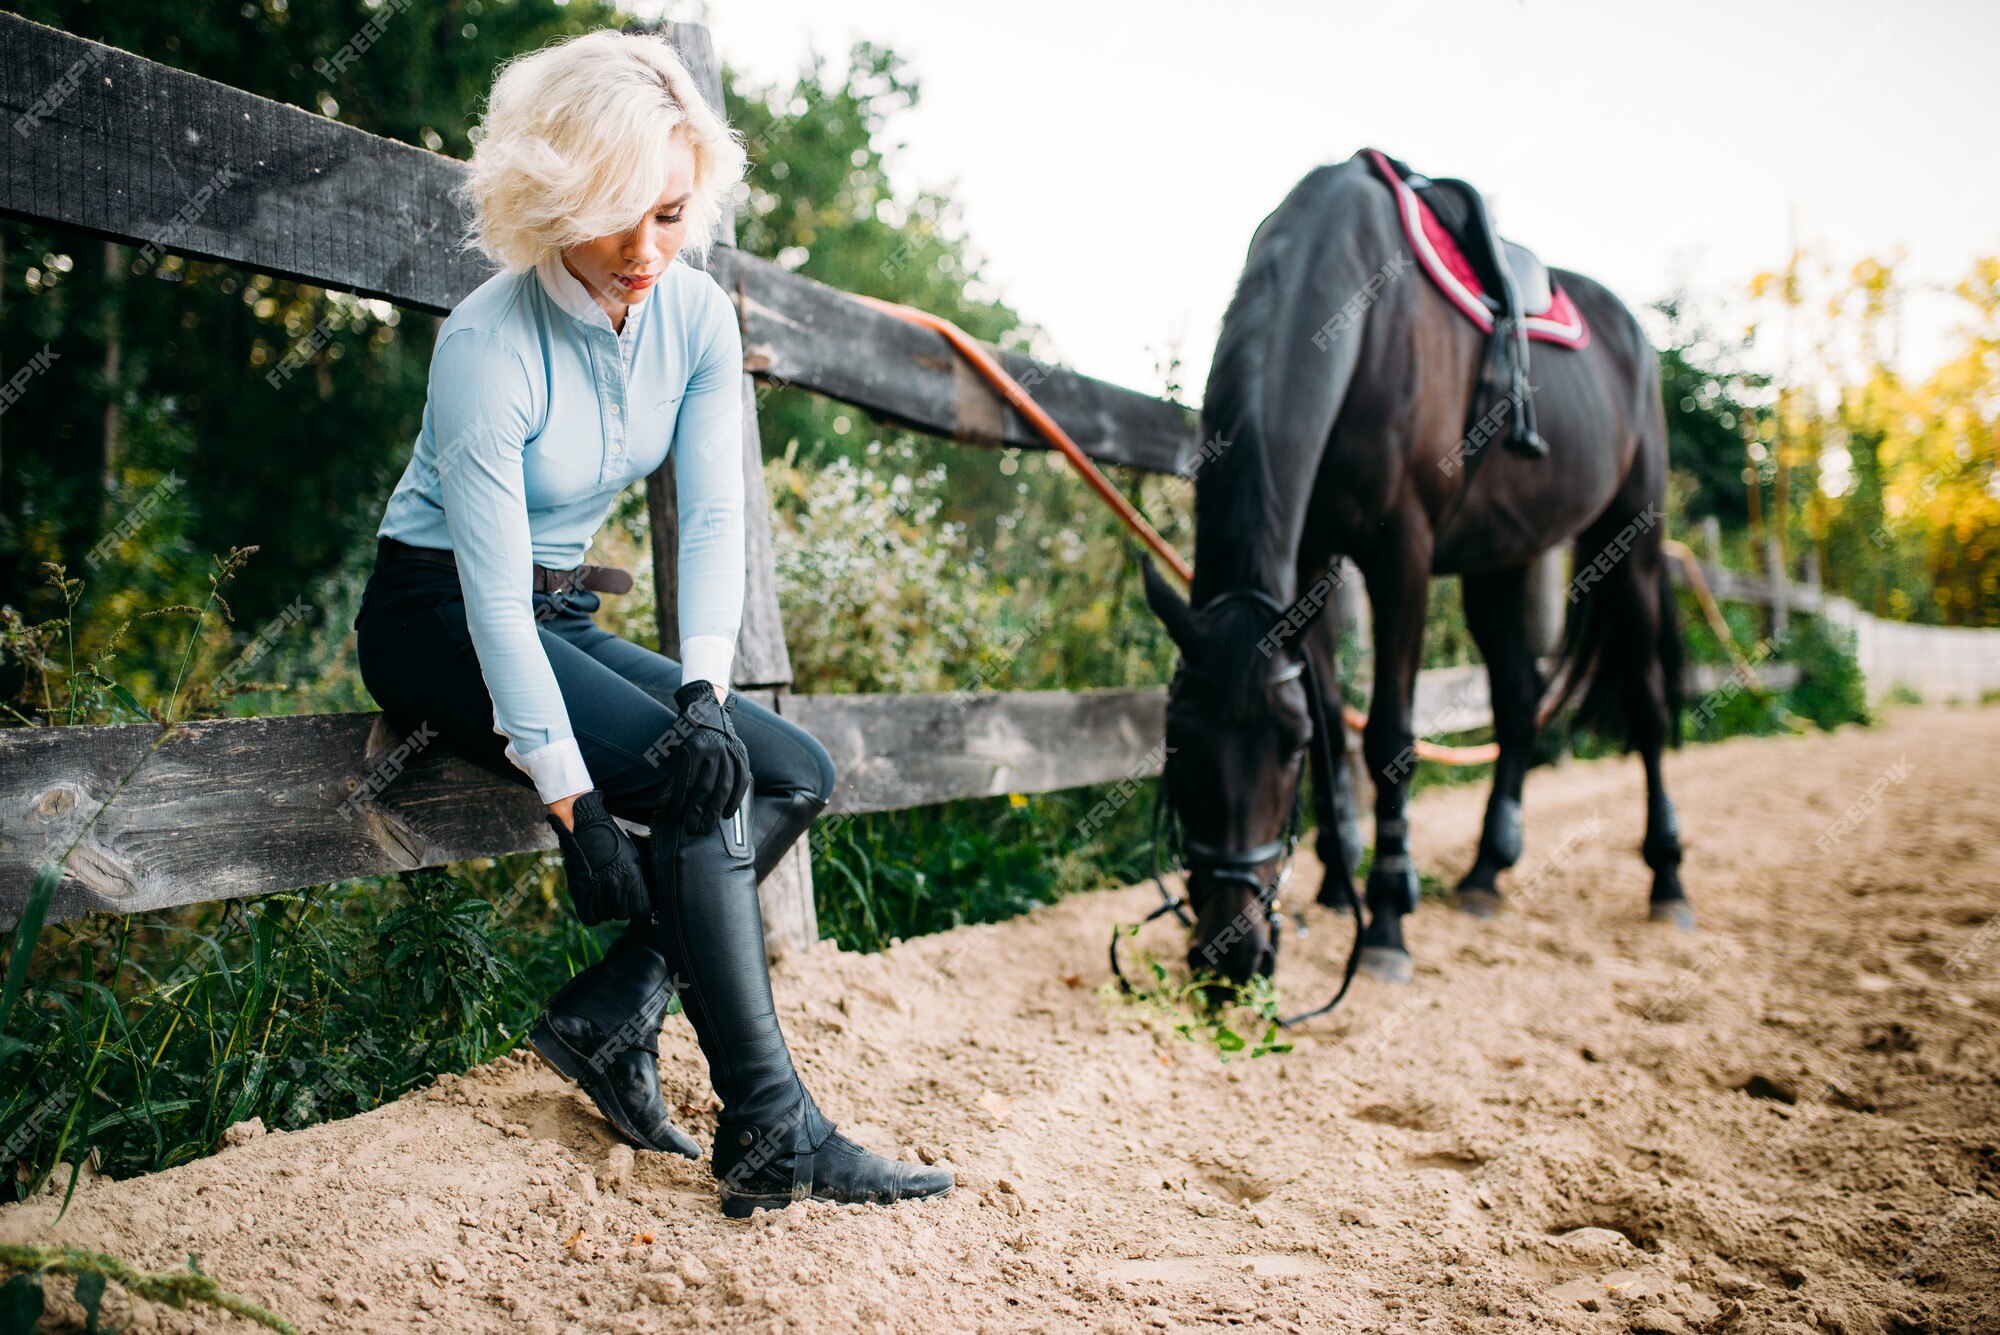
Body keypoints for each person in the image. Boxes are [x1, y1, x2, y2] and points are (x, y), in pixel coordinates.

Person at [352, 27, 951, 1218]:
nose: (642, 248)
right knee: (693, 785)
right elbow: (482, 603)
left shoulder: (692, 317)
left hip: (555, 609)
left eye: (669, 214)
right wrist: (572, 802)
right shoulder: (486, 340)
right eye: (616, 212)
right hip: (437, 618)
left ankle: (610, 1013)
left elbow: (717, 518)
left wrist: (703, 694)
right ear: (552, 195)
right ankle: (772, 1126)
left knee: (791, 770)